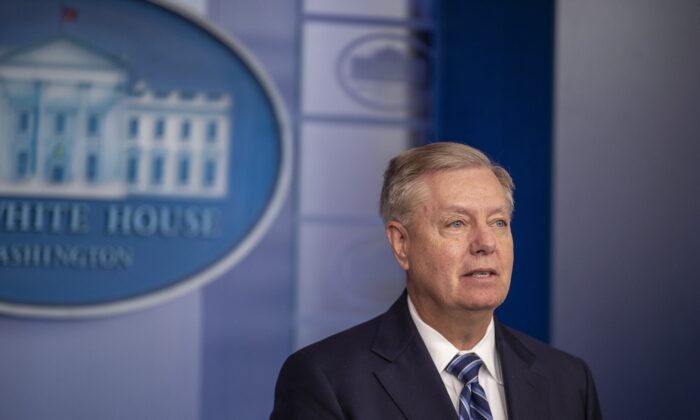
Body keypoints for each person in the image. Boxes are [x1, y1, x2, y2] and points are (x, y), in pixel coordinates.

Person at [271, 142, 602, 420]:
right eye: (457, 224)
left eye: (498, 222)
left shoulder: (569, 381)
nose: (486, 243)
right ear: (402, 244)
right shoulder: (327, 380)